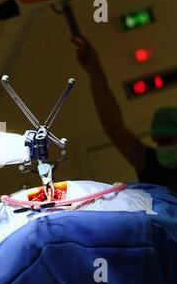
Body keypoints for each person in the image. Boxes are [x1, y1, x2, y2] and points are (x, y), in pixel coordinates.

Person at [71, 36, 177, 193]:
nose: (162, 148)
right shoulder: (153, 165)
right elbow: (114, 129)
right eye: (158, 142)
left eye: (166, 140)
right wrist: (95, 71)